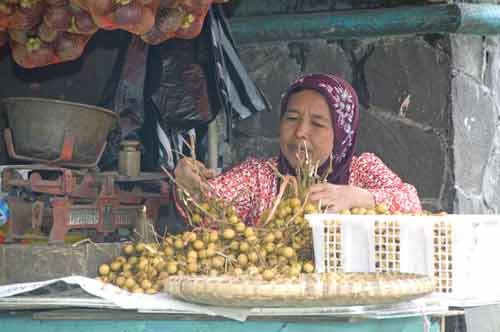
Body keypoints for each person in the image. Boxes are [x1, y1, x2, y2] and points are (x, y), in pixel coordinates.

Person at [174, 73, 422, 225]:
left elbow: (411, 204)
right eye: (292, 119)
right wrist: (189, 186)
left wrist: (357, 197)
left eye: (317, 123)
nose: (301, 132)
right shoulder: (259, 177)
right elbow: (209, 211)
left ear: (342, 134)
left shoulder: (362, 170)